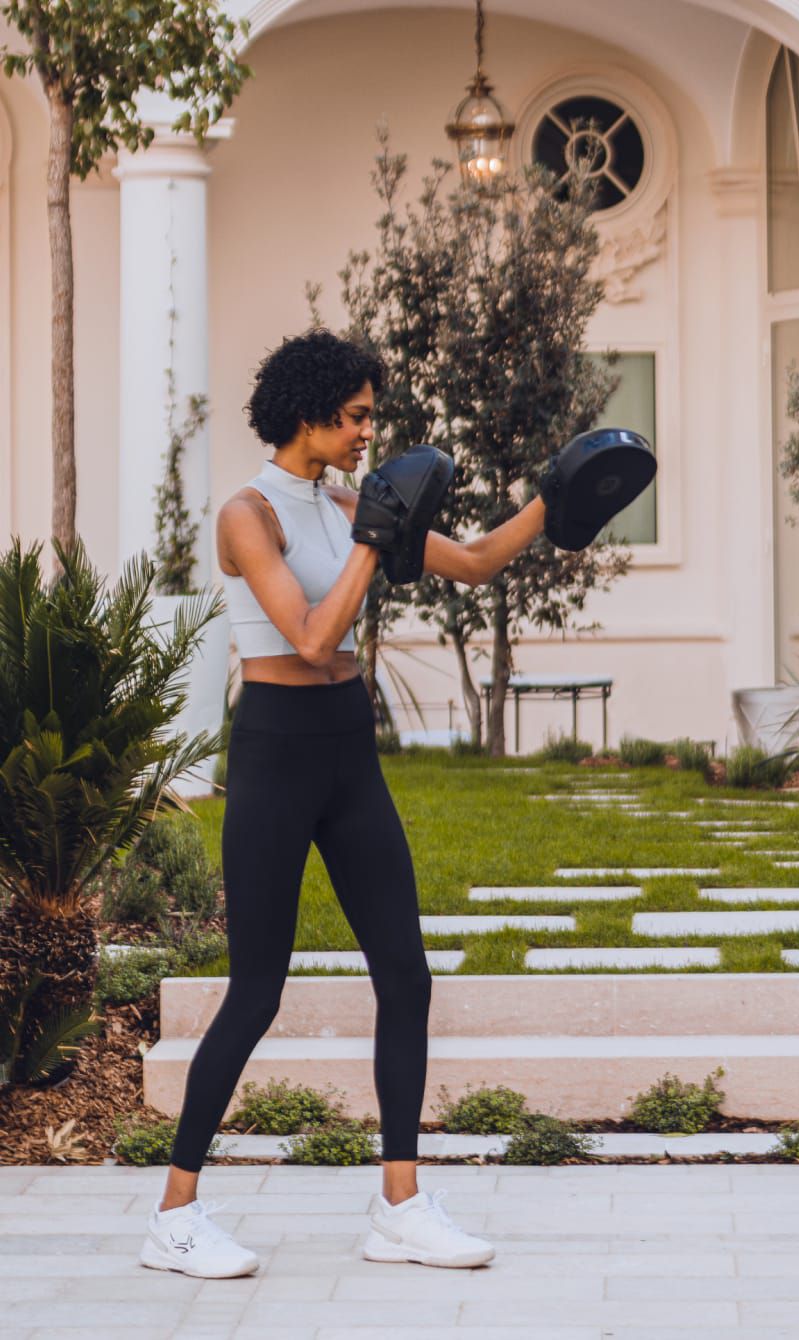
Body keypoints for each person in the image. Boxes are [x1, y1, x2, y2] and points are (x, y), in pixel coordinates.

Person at [138, 328, 653, 1279]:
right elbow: (305, 636)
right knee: (257, 988)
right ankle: (173, 1214)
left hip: (347, 750)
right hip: (275, 752)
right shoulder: (249, 516)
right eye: (358, 416)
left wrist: (557, 490)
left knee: (405, 976)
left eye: (373, 416)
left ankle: (401, 1204)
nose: (371, 431)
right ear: (310, 415)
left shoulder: (346, 501)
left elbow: (480, 561)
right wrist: (376, 541)